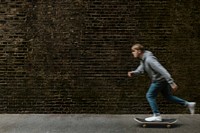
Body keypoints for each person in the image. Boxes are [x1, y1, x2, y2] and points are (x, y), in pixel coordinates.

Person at [128, 44, 196, 122]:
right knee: (168, 97)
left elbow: (162, 70)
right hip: (162, 80)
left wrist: (171, 82)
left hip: (159, 81)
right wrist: (134, 72)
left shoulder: (149, 59)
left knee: (150, 95)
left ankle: (156, 115)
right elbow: (141, 68)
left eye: (133, 51)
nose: (132, 53)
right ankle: (188, 104)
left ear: (139, 51)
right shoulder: (143, 59)